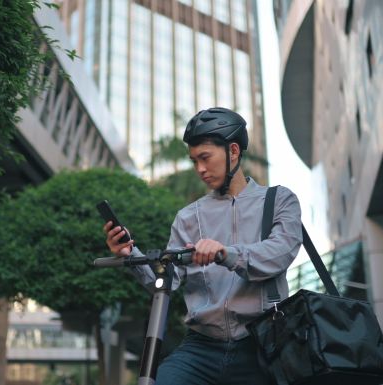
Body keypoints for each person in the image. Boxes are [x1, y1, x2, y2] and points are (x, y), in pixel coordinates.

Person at [103, 107, 303, 385]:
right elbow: (166, 283)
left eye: (205, 158)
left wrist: (225, 253)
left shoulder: (280, 200)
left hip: (263, 345)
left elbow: (278, 255)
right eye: (194, 160)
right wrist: (130, 254)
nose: (200, 169)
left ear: (233, 151)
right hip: (201, 347)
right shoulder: (188, 217)